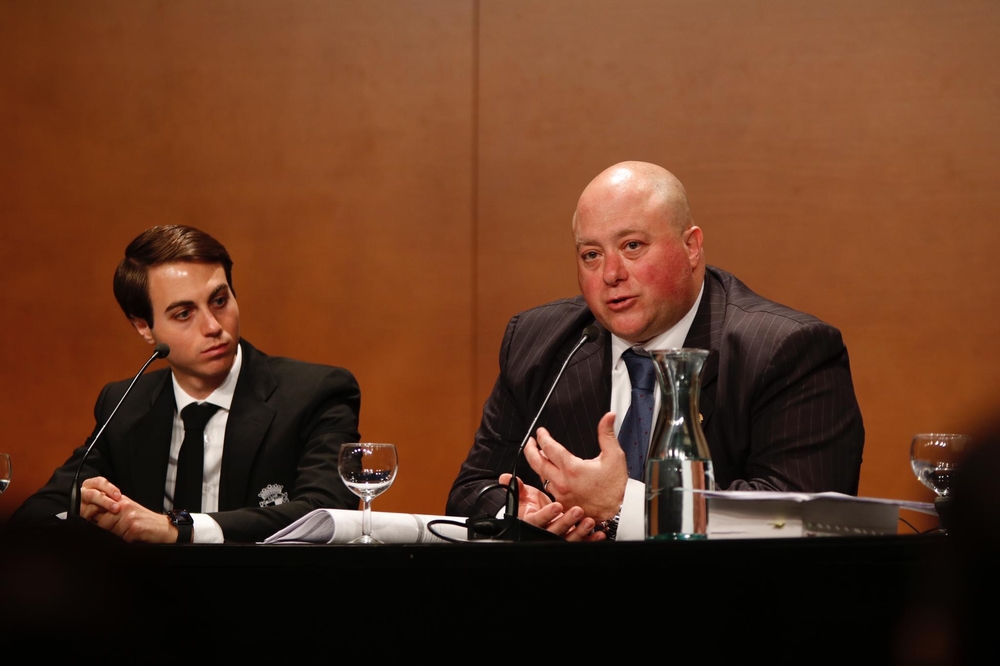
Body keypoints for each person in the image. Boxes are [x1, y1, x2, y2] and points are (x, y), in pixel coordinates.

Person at [446, 161, 865, 541]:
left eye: (632, 246)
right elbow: (471, 491)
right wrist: (522, 514)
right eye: (591, 255)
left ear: (691, 247)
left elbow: (803, 519)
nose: (611, 274)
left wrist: (623, 505)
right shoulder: (540, 342)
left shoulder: (785, 351)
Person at [10, 225, 361, 543]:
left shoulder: (315, 393)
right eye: (184, 313)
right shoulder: (125, 404)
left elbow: (327, 512)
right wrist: (81, 507)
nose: (213, 326)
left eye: (219, 301)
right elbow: (35, 514)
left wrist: (180, 528)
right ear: (144, 327)